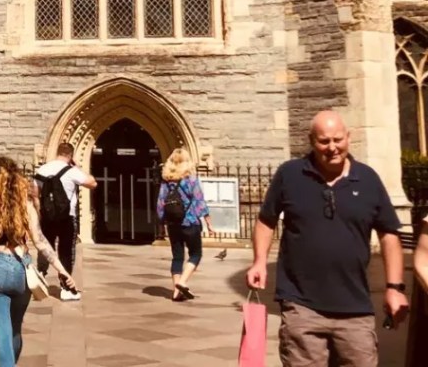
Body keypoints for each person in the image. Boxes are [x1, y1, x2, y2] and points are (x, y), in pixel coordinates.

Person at [247, 111, 409, 367]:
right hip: (301, 305)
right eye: (324, 141)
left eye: (337, 139)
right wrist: (259, 262)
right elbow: (266, 220)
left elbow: (389, 234)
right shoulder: (290, 174)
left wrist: (394, 288)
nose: (332, 147)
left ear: (348, 138)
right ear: (311, 141)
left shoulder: (367, 179)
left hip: (355, 308)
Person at [0, 155, 77, 367]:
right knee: (14, 329)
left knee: (2, 330)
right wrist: (62, 270)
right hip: (20, 268)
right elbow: (40, 242)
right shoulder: (25, 206)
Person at [33, 141, 96, 301]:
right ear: (70, 155)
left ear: (58, 152)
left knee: (44, 247)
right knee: (66, 252)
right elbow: (92, 183)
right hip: (67, 217)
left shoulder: (42, 169)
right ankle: (66, 288)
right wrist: (77, 168)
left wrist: (41, 212)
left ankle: (40, 277)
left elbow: (35, 194)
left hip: (47, 216)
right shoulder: (72, 171)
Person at [156, 148, 213, 301]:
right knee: (196, 254)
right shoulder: (191, 179)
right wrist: (208, 222)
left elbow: (161, 204)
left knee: (177, 257)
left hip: (173, 224)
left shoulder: (167, 181)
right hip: (190, 222)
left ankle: (176, 292)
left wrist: (161, 224)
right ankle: (182, 282)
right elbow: (199, 201)